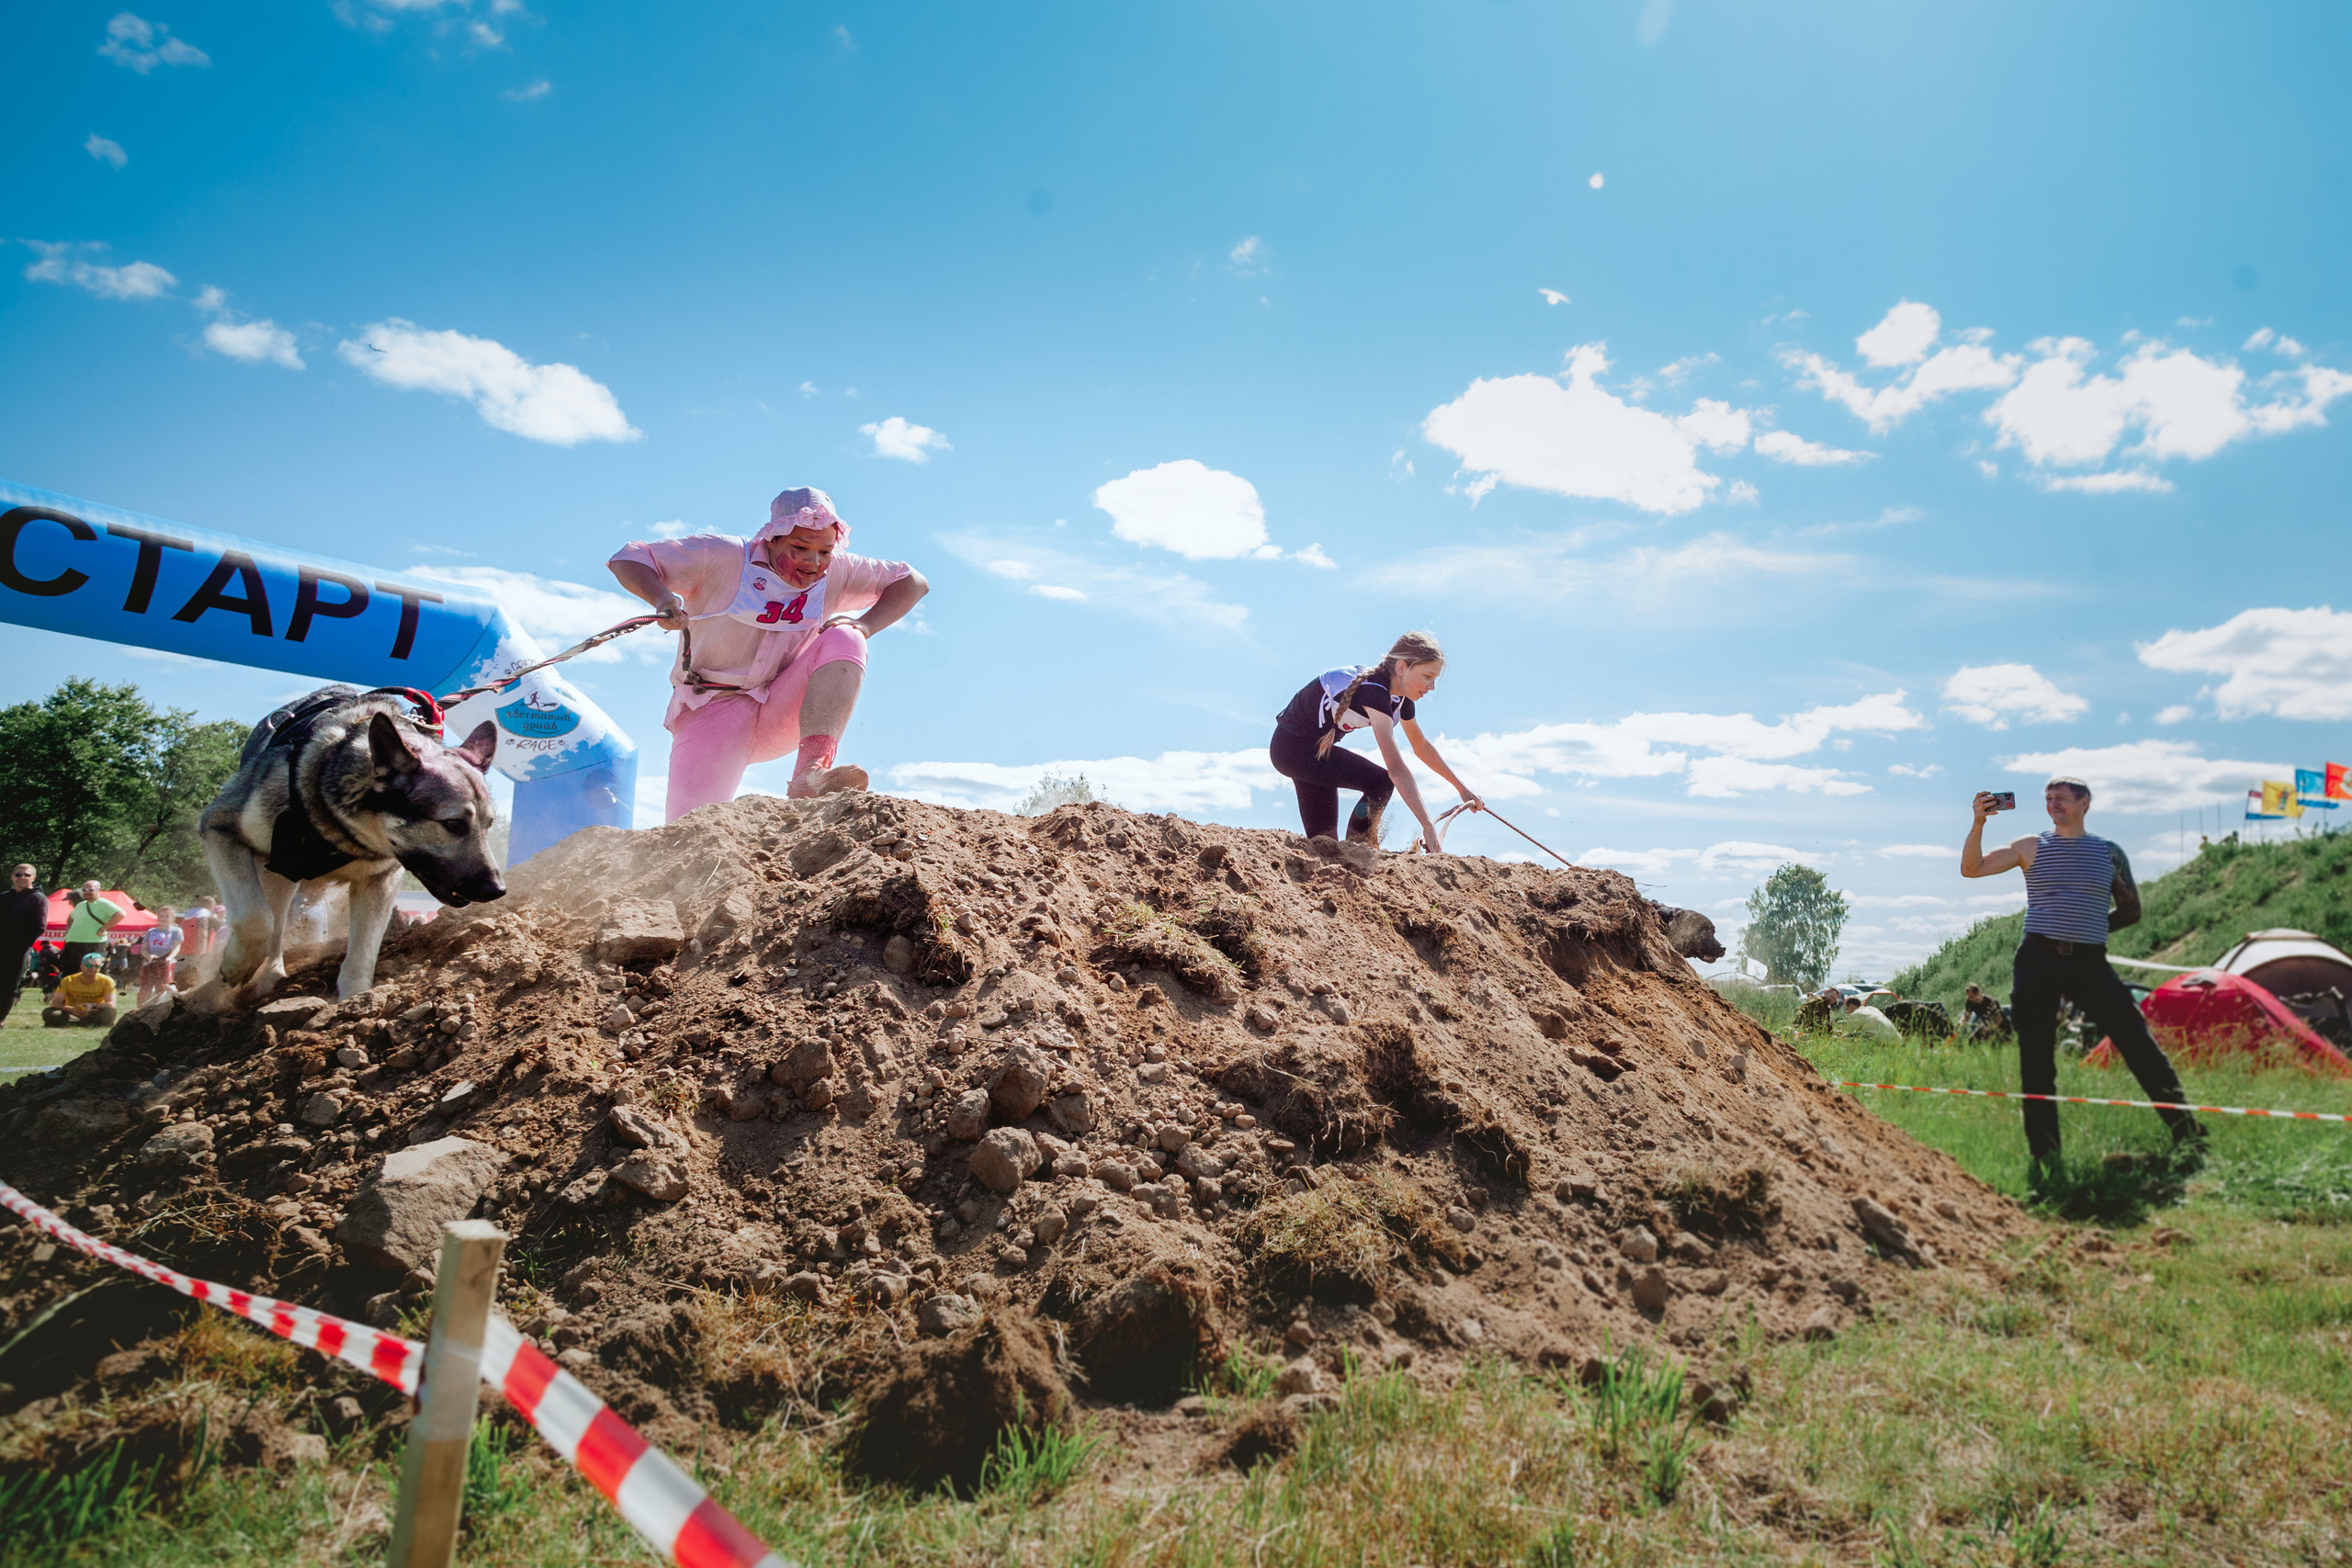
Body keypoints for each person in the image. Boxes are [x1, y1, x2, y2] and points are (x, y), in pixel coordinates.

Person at [609, 488, 929, 820]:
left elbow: (913, 582)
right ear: (772, 539)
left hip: (783, 704)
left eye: (824, 551)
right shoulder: (722, 553)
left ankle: (812, 773)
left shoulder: (840, 569)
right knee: (687, 826)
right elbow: (629, 558)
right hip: (712, 707)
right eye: (800, 548)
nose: (813, 561)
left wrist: (866, 624)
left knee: (847, 635)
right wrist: (662, 599)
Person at [1963, 776, 2203, 1167]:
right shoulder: (2030, 846)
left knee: (2138, 1043)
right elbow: (1972, 870)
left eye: (2060, 797)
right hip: (2037, 961)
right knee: (2037, 1061)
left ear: (2085, 802)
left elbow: (2131, 909)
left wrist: (2086, 926)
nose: (2052, 803)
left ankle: (2190, 1137)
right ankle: (2046, 1158)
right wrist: (1978, 824)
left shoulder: (2108, 853)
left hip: (2090, 962)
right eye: (2047, 798)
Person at [1268, 633, 1484, 852]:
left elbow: (1422, 747)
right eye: (1428, 676)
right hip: (1291, 750)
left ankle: (1351, 855)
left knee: (1325, 845)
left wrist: (1461, 788)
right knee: (1380, 782)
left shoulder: (1400, 699)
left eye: (1435, 679)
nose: (1432, 687)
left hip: (1319, 754)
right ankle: (1360, 849)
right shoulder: (1374, 692)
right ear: (1402, 668)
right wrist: (1427, 826)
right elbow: (1396, 770)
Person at [0, 864, 46, 1025]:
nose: (21, 878)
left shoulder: (38, 898)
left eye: (26, 875)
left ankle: (0, 1019)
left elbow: (39, 927)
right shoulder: (4, 897)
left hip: (18, 949)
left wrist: (23, 945)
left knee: (8, 985)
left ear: (33, 878)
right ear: (12, 877)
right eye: (18, 875)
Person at [60, 880, 122, 973]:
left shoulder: (103, 903)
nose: (86, 892)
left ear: (99, 890)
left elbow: (120, 914)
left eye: (90, 890)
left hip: (93, 943)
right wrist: (69, 933)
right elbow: (71, 918)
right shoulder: (81, 905)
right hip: (73, 944)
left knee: (92, 972)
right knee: (70, 973)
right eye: (84, 890)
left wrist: (103, 928)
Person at [43, 951, 118, 1029]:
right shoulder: (68, 980)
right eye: (88, 965)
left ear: (100, 968)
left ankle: (75, 1022)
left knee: (110, 1012)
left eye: (96, 966)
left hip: (93, 1012)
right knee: (48, 1012)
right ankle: (85, 1022)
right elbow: (55, 1003)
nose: (92, 969)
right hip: (71, 1012)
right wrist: (72, 1009)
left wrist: (92, 1005)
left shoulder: (107, 981)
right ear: (82, 967)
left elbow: (111, 1004)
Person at [139, 905, 182, 1003]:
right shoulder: (151, 931)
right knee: (145, 986)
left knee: (163, 986)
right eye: (161, 916)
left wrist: (169, 958)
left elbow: (177, 947)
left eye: (167, 916)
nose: (164, 918)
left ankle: (160, 1005)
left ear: (172, 918)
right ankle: (142, 1007)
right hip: (150, 961)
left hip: (166, 962)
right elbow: (143, 948)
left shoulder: (176, 931)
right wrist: (148, 955)